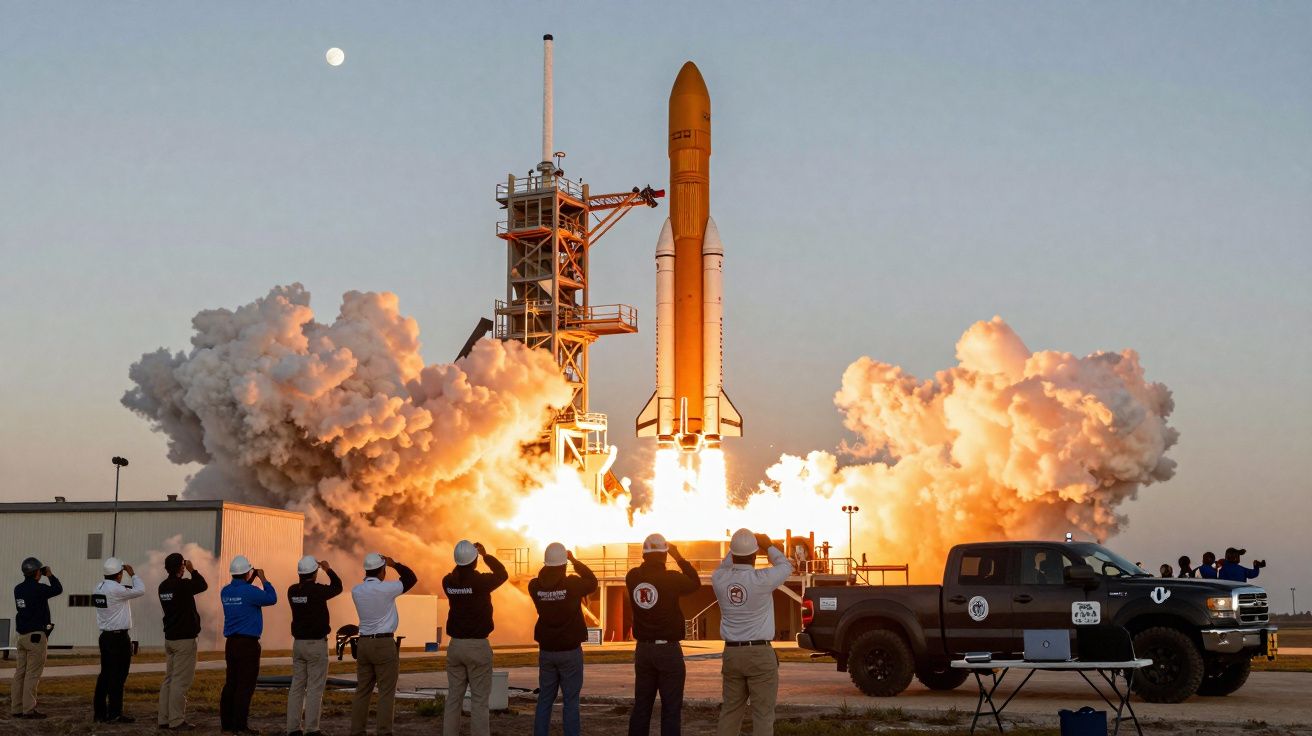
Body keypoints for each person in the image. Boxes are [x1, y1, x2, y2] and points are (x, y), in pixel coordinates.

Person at [711, 529, 792, 736]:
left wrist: (738, 547)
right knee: (763, 714)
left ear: (732, 553)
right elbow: (785, 566)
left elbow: (725, 565)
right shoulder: (762, 579)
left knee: (730, 712)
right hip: (759, 654)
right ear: (755, 554)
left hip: (732, 654)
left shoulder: (719, 579)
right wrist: (769, 545)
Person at [625, 533, 700, 736]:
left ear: (644, 554)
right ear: (665, 555)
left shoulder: (632, 577)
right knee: (671, 709)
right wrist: (679, 557)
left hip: (643, 650)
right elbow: (695, 582)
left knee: (642, 707)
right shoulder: (671, 579)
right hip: (668, 651)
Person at [529, 542, 597, 736]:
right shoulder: (572, 584)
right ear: (564, 564)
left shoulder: (534, 586)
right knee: (571, 701)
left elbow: (545, 581)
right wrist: (574, 560)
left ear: (545, 563)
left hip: (547, 651)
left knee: (544, 700)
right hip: (570, 652)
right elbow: (592, 581)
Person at [442, 540, 508, 736]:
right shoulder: (480, 582)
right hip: (478, 646)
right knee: (479, 700)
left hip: (455, 646)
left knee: (454, 698)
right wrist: (485, 555)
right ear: (474, 560)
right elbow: (502, 574)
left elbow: (459, 578)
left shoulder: (448, 582)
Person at [350, 553, 417, 736]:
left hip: (363, 643)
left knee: (362, 690)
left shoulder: (356, 591)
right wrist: (395, 564)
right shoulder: (387, 589)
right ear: (382, 571)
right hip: (383, 643)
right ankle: (384, 731)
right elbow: (411, 578)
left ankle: (357, 731)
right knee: (386, 692)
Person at [219, 555, 277, 735]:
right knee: (245, 686)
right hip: (248, 645)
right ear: (247, 572)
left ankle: (227, 724)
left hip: (231, 644)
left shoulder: (225, 591)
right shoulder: (251, 592)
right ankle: (240, 726)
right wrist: (263, 578)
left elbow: (243, 591)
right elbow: (272, 598)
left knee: (231, 684)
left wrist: (250, 578)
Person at [287, 555, 342, 736]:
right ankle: (311, 729)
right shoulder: (317, 591)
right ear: (314, 573)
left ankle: (293, 729)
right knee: (314, 688)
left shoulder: (292, 591)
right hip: (316, 644)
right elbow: (338, 587)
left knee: (297, 687)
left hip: (298, 645)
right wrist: (328, 569)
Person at [157, 552, 208, 731]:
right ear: (181, 567)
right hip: (184, 640)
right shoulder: (183, 585)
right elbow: (202, 585)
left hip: (170, 638)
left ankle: (164, 718)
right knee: (180, 681)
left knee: (169, 679)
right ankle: (177, 720)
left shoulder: (163, 586)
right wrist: (193, 570)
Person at [93, 557, 146, 724]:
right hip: (118, 638)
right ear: (119, 574)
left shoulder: (98, 587)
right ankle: (115, 713)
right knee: (118, 676)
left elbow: (122, 590)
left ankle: (99, 713)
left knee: (105, 675)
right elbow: (140, 590)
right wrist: (133, 574)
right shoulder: (117, 589)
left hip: (105, 636)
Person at [11, 557, 61, 720]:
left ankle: (16, 708)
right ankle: (29, 709)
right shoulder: (39, 589)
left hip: (22, 636)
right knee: (32, 674)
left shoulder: (18, 589)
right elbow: (58, 589)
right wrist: (50, 575)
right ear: (37, 572)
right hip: (36, 637)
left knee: (20, 673)